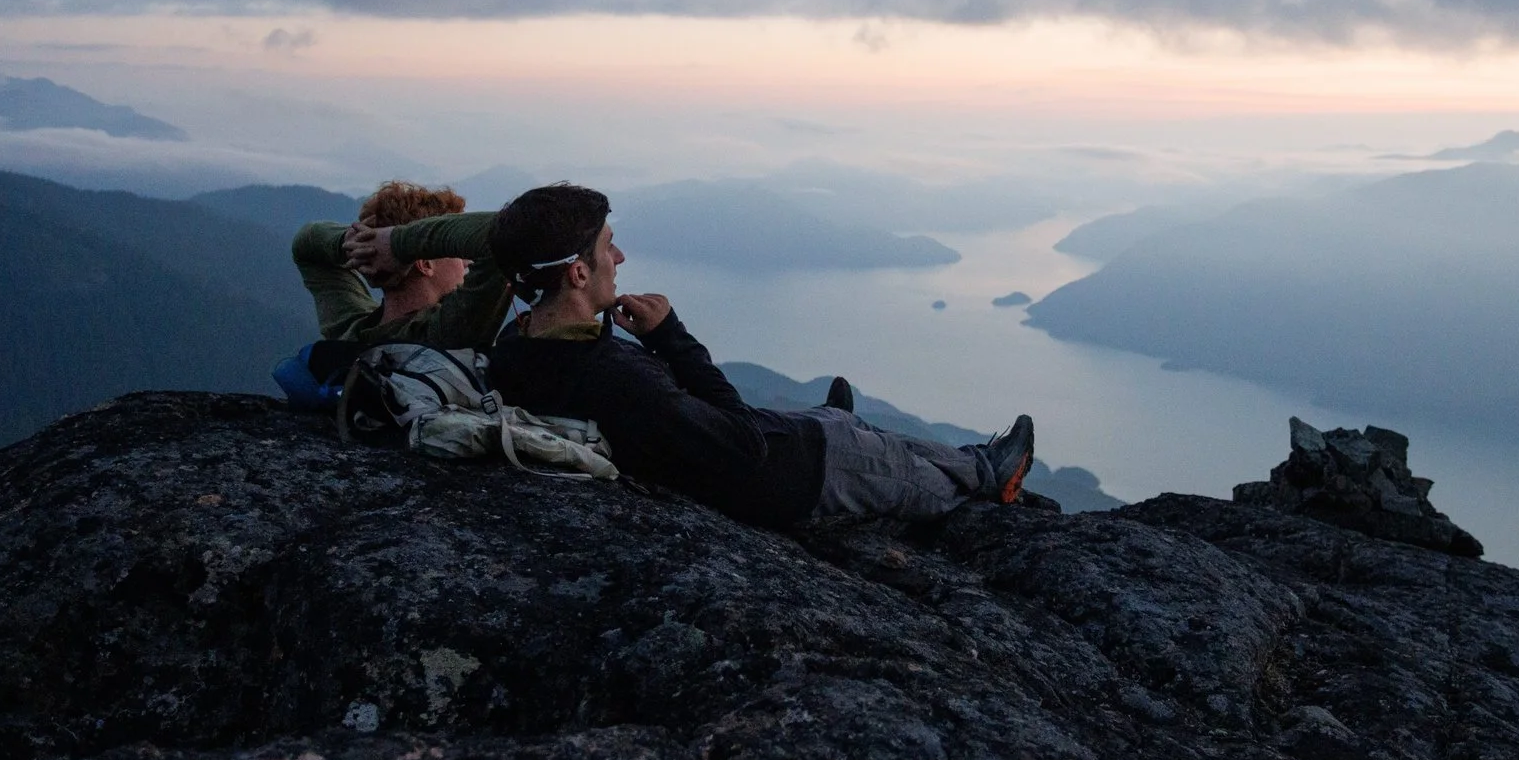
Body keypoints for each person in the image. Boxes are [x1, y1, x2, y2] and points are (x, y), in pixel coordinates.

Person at [377, 180, 1033, 529]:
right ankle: (984, 475)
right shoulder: (622, 377)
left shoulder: (519, 345)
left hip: (731, 452)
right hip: (795, 480)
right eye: (609, 247)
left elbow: (604, 384)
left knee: (832, 419)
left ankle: (837, 422)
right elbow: (743, 443)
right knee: (888, 459)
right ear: (577, 274)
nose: (620, 256)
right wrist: (672, 338)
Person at [290, 181, 514, 350]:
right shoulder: (444, 334)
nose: (468, 261)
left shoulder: (349, 329)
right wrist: (398, 244)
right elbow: (505, 231)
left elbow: (307, 243)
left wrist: (354, 244)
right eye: (459, 252)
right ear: (425, 264)